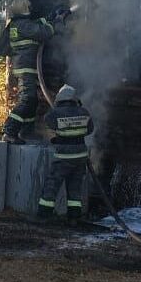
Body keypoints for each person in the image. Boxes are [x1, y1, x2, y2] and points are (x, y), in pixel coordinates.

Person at [0, 0, 61, 144]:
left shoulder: (19, 24)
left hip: (26, 67)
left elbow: (37, 25)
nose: (30, 9)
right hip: (25, 68)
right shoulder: (22, 25)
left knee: (32, 101)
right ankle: (10, 130)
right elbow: (43, 32)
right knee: (27, 99)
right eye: (28, 7)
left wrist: (51, 16)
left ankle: (27, 132)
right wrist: (56, 22)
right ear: (24, 9)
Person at [37, 84, 93, 224]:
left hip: (64, 157)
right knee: (75, 188)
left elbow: (48, 123)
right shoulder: (84, 112)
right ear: (75, 99)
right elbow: (89, 130)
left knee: (52, 185)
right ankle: (74, 218)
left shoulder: (54, 113)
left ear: (59, 99)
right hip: (81, 157)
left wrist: (55, 138)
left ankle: (44, 215)